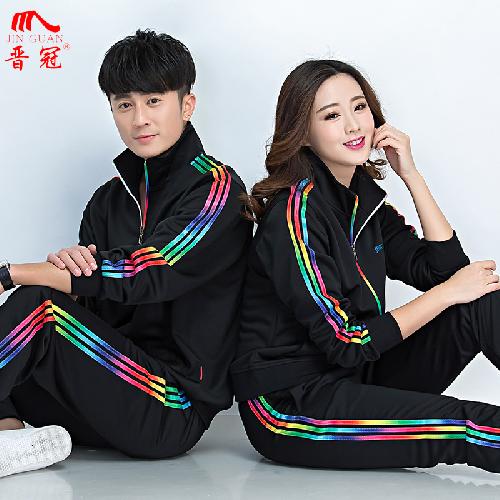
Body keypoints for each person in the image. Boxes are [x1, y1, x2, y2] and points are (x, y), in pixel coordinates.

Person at [0, 28, 252, 478]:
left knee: (36, 307)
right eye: (124, 105)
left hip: (170, 406)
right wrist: (71, 283)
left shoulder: (218, 189)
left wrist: (12, 273)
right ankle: (8, 432)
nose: (139, 119)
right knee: (32, 313)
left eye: (154, 101)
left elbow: (151, 270)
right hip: (106, 387)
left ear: (187, 105)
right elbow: (92, 311)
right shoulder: (106, 202)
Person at [230, 59, 500, 472]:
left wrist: (410, 175)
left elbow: (446, 271)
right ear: (303, 132)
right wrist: (447, 293)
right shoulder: (295, 215)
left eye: (359, 107)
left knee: (483, 304)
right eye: (331, 115)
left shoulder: (361, 199)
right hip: (292, 405)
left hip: (359, 374)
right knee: (466, 424)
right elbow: (347, 342)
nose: (353, 125)